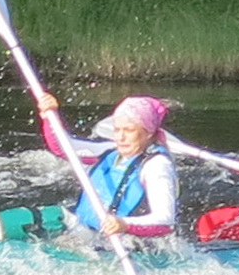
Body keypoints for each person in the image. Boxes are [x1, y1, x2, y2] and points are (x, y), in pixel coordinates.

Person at [29, 91, 179, 242]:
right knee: (24, 220)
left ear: (148, 132)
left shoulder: (157, 166)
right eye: (117, 129)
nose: (120, 137)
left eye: (129, 130)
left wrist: (124, 224)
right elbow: (63, 148)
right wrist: (50, 117)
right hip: (86, 232)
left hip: (125, 244)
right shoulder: (109, 151)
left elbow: (165, 221)